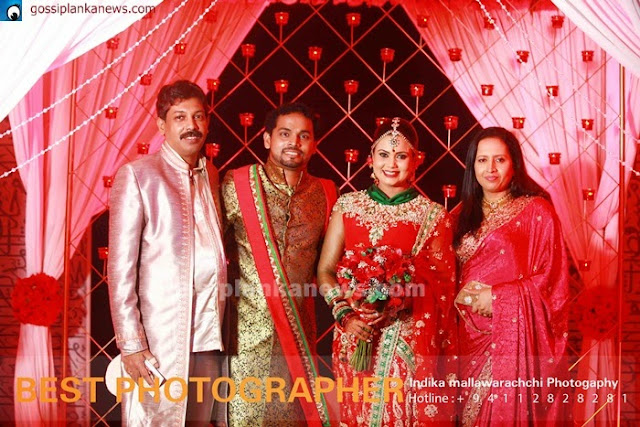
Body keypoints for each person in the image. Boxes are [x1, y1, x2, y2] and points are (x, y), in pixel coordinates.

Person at [317, 117, 457, 426]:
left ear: (416, 161)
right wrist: (345, 315)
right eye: (383, 154)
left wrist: (397, 301)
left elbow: (443, 287)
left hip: (404, 338)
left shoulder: (433, 216)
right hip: (353, 334)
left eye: (401, 155)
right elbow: (325, 270)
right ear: (370, 158)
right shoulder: (347, 206)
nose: (391, 164)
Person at [108, 80, 227, 426]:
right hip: (159, 340)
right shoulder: (139, 175)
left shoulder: (211, 175)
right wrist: (131, 344)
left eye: (198, 116)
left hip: (207, 337)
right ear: (162, 125)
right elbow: (120, 271)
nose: (192, 125)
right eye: (180, 117)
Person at [222, 102, 337, 426]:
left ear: (314, 144)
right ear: (267, 139)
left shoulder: (325, 193)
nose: (294, 143)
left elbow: (331, 266)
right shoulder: (237, 183)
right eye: (285, 134)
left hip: (298, 341)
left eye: (303, 136)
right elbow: (211, 252)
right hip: (244, 341)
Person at [453, 126, 570, 426]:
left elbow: (553, 281)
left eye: (500, 160)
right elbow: (445, 278)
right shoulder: (458, 216)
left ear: (514, 164)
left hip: (514, 339)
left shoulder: (537, 212)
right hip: (466, 340)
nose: (490, 168)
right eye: (482, 160)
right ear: (472, 166)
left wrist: (497, 298)